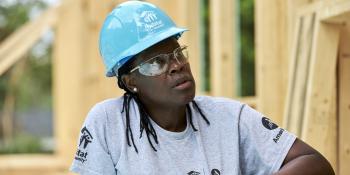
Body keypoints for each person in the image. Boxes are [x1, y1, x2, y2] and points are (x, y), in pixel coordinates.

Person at [70, 1, 335, 175]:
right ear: (131, 82)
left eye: (178, 52)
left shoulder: (229, 117)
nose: (176, 66)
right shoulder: (108, 123)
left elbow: (316, 164)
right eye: (157, 62)